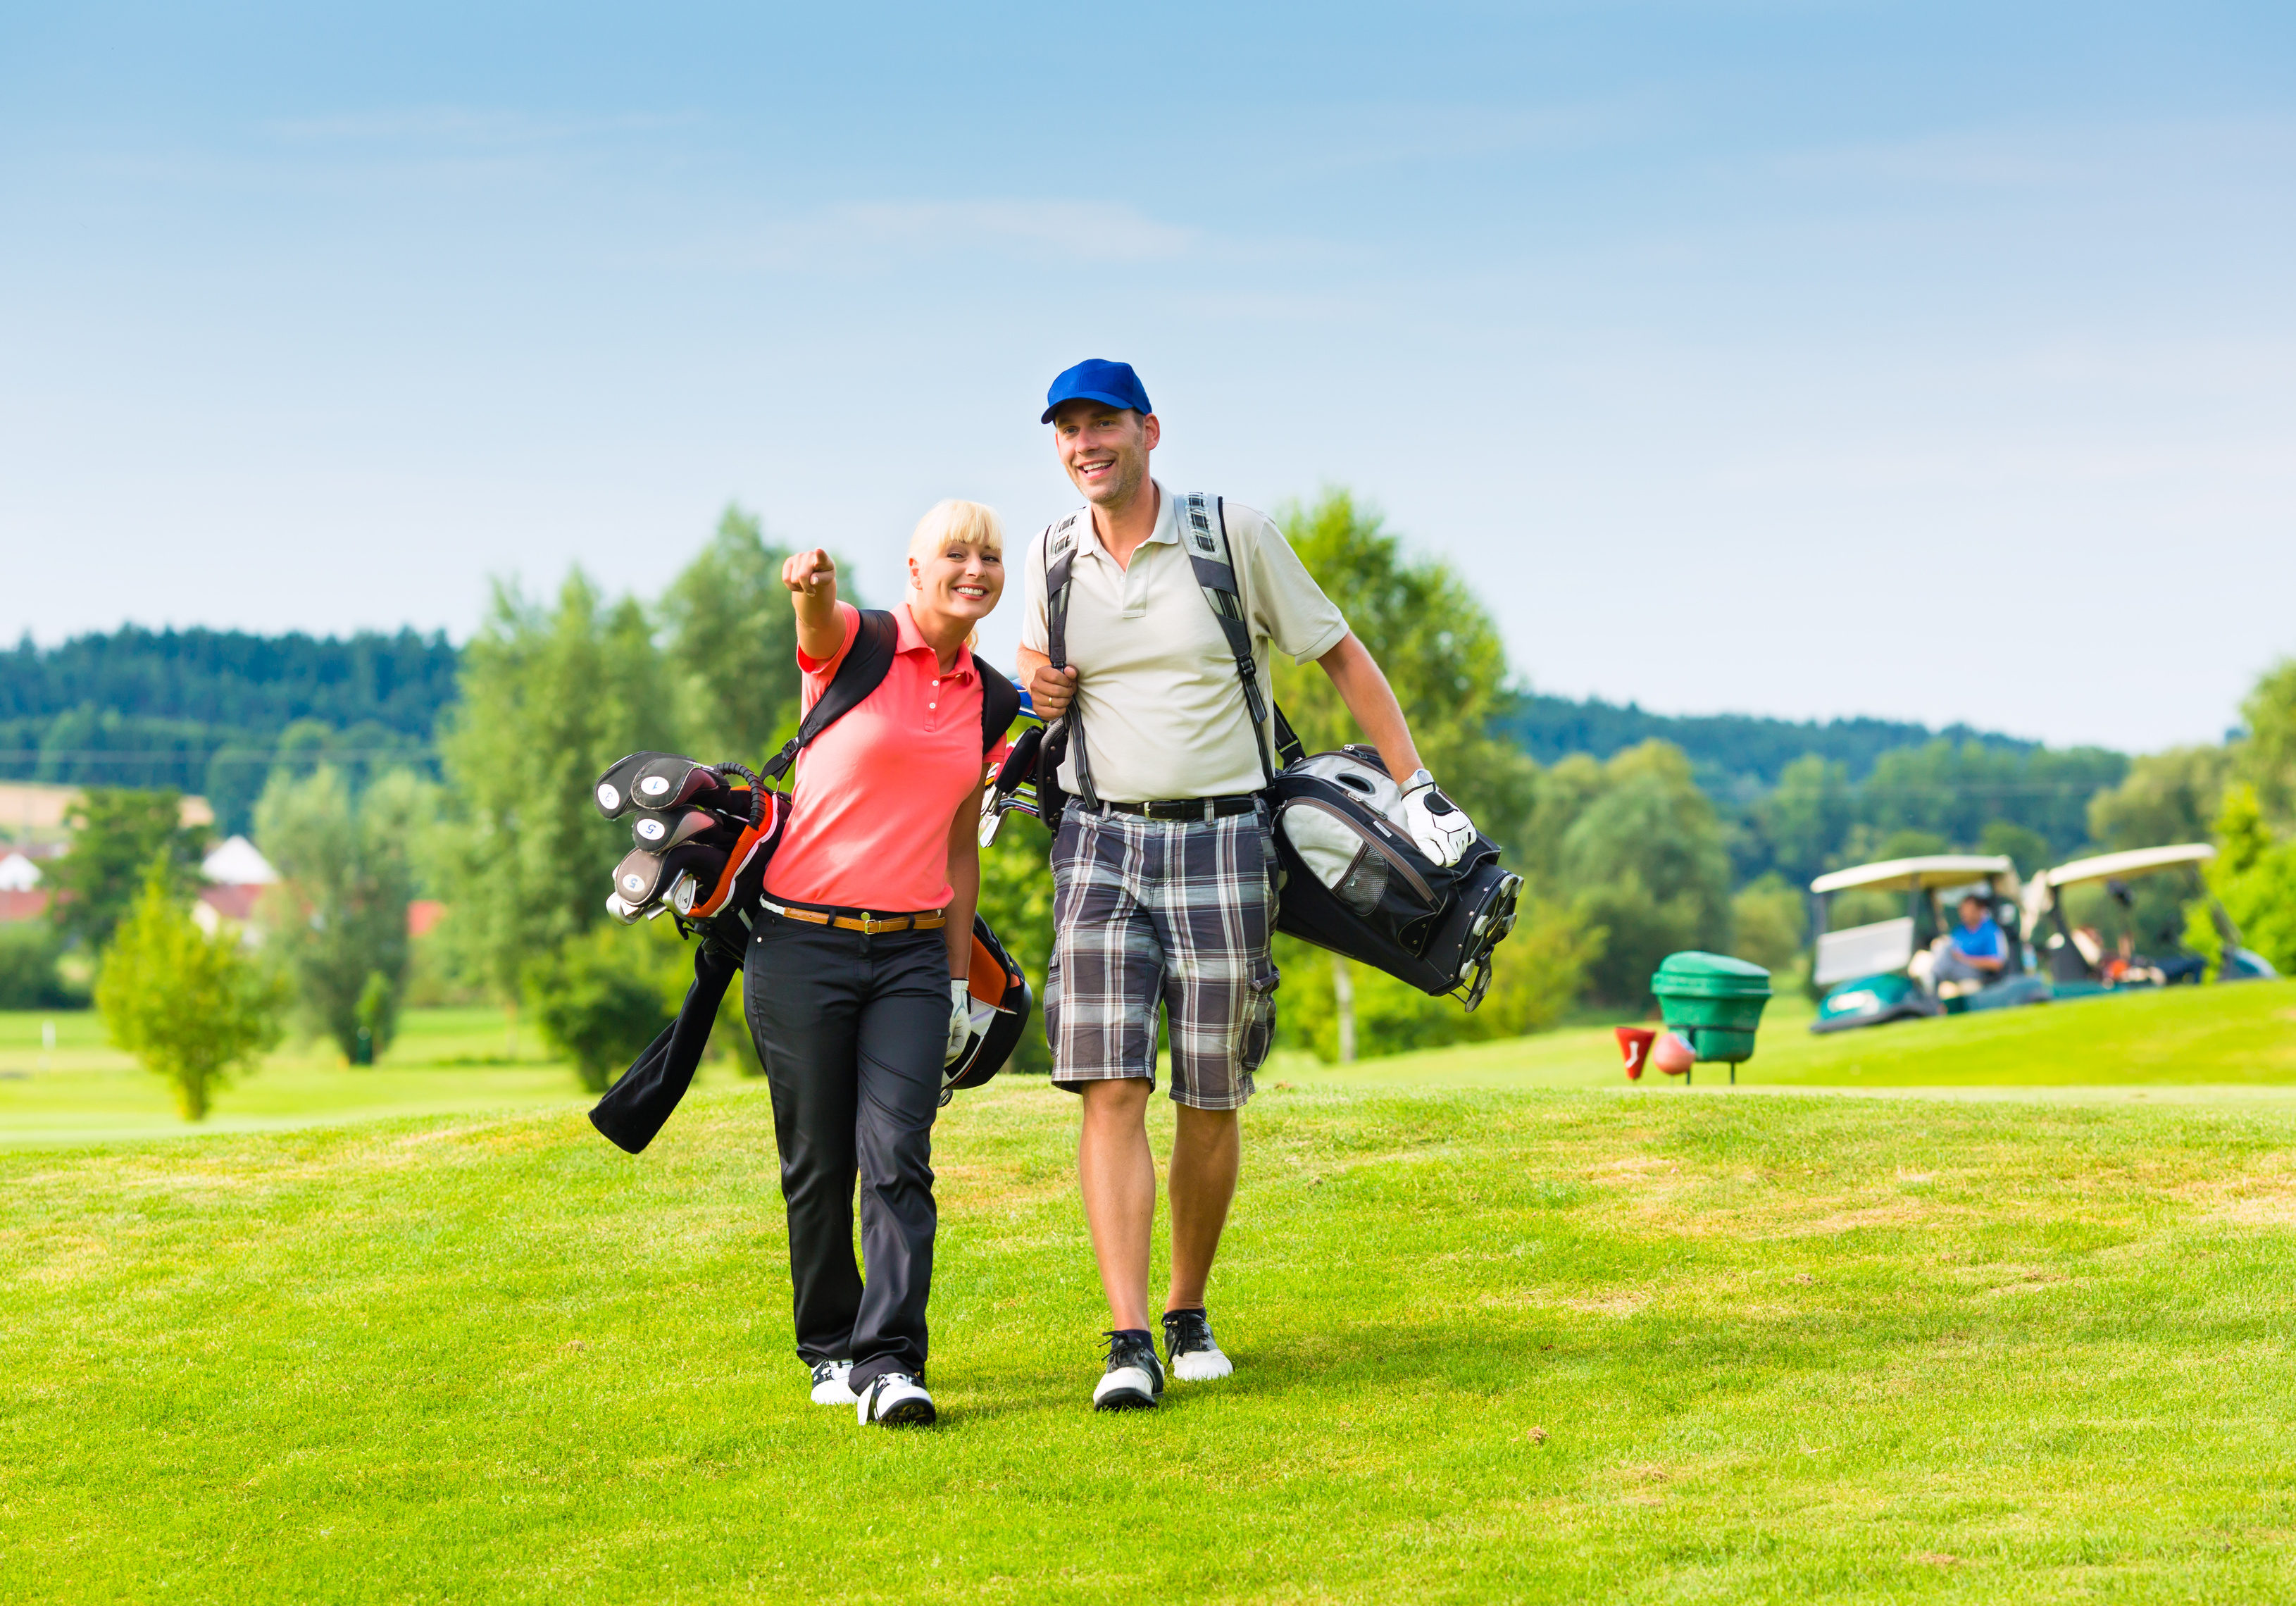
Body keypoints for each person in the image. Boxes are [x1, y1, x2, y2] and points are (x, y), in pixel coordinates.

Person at [1015, 359, 1480, 1411]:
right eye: (1068, 430)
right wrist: (1037, 682)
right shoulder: (1048, 553)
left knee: (1210, 1090)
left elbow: (1342, 656)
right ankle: (1128, 1337)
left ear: (1150, 431)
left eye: (1104, 425)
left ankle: (1187, 1308)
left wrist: (1417, 787)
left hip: (1227, 841)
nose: (1086, 444)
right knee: (1108, 1083)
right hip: (1096, 843)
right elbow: (1042, 680)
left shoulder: (1234, 535)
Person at [747, 499, 1010, 1428]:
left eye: (989, 556)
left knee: (898, 1152)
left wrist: (955, 982)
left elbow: (961, 848)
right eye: (954, 553)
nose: (973, 568)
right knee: (818, 1160)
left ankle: (891, 1360)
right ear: (913, 568)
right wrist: (808, 590)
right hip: (800, 943)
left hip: (908, 955)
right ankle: (828, 1346)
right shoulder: (856, 643)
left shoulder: (994, 697)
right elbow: (814, 624)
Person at [1931, 893, 2008, 988]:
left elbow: (1997, 963)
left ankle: (1931, 979)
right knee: (1941, 948)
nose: (1964, 914)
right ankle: (1931, 979)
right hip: (1955, 969)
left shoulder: (1991, 931)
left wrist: (1966, 959)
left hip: (1979, 973)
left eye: (1969, 911)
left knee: (1946, 951)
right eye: (1962, 910)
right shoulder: (1959, 931)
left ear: (1979, 910)